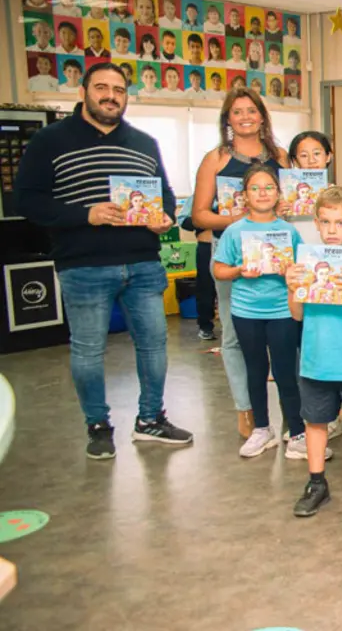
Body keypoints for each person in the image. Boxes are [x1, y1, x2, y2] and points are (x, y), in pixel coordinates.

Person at [14, 61, 193, 459]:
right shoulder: (49, 140)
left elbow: (163, 193)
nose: (111, 96)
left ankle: (151, 419)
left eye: (119, 90)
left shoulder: (144, 142)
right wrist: (86, 214)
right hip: (83, 265)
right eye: (102, 88)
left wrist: (164, 217)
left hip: (143, 263)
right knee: (88, 351)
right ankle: (97, 425)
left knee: (154, 345)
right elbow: (26, 200)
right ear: (83, 92)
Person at [191, 89, 291, 438]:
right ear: (228, 119)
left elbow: (295, 201)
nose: (245, 117)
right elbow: (199, 215)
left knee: (284, 333)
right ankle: (245, 409)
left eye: (251, 110)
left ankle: (291, 413)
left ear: (262, 116)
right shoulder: (216, 159)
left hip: (279, 257)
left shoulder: (280, 156)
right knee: (234, 336)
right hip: (233, 255)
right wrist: (240, 220)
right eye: (237, 111)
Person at [212, 163, 310, 459]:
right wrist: (239, 270)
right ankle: (262, 429)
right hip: (246, 312)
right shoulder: (234, 231)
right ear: (244, 195)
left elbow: (303, 268)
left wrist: (290, 271)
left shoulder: (289, 231)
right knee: (255, 370)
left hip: (282, 311)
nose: (262, 193)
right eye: (255, 188)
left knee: (285, 372)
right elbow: (219, 269)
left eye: (269, 187)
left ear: (278, 193)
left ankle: (297, 432)